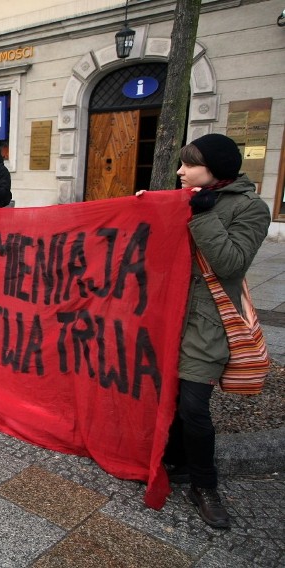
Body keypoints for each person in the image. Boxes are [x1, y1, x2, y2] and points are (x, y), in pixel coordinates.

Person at [159, 133, 270, 530]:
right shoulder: (184, 197)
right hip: (167, 313)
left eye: (189, 164)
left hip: (208, 321)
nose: (180, 171)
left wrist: (202, 215)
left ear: (215, 168)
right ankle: (175, 461)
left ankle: (205, 487)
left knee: (193, 405)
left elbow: (230, 263)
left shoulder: (252, 208)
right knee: (165, 394)